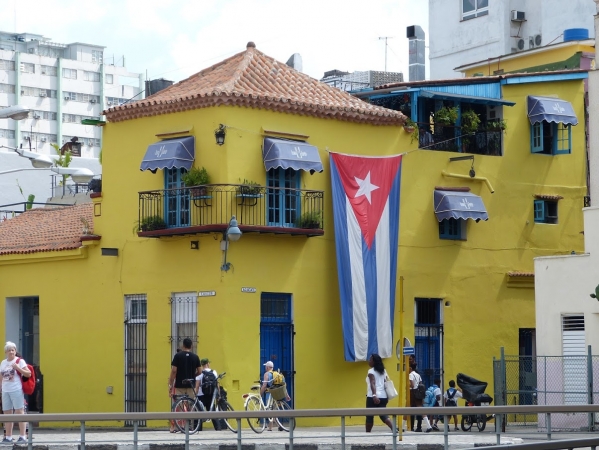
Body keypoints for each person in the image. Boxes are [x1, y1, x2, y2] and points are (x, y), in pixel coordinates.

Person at [1, 342, 30, 443]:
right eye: (9, 350)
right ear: (6, 352)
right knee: (7, 413)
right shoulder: (3, 363)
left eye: (13, 350)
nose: (11, 352)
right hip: (5, 390)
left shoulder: (20, 361)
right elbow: (1, 377)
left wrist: (18, 368)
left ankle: (23, 436)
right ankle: (8, 436)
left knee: (19, 412)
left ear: (15, 351)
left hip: (16, 389)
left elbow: (28, 374)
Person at [365, 354, 393, 432]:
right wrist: (386, 396)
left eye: (370, 359)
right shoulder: (383, 371)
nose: (369, 361)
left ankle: (367, 433)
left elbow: (372, 383)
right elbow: (385, 383)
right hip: (383, 396)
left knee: (369, 416)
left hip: (372, 396)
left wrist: (374, 395)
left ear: (374, 362)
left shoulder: (371, 371)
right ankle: (393, 428)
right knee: (383, 415)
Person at [168, 339, 201, 404]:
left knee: (179, 404)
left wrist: (170, 384)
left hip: (179, 384)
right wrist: (193, 375)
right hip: (191, 385)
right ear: (191, 346)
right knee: (191, 404)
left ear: (183, 345)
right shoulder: (195, 357)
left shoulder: (177, 356)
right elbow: (200, 371)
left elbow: (174, 371)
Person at [195, 358, 223, 431]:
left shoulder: (200, 373)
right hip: (211, 394)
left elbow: (197, 386)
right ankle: (218, 428)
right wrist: (218, 395)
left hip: (201, 395)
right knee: (212, 411)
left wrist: (195, 395)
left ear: (202, 365)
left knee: (199, 412)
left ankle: (198, 429)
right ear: (207, 364)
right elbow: (217, 384)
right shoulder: (214, 372)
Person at [409, 363, 432, 432]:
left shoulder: (410, 375)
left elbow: (412, 385)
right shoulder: (418, 375)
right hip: (419, 393)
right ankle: (428, 426)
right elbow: (420, 383)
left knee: (408, 408)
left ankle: (403, 427)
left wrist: (408, 386)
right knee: (420, 409)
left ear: (410, 368)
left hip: (413, 393)